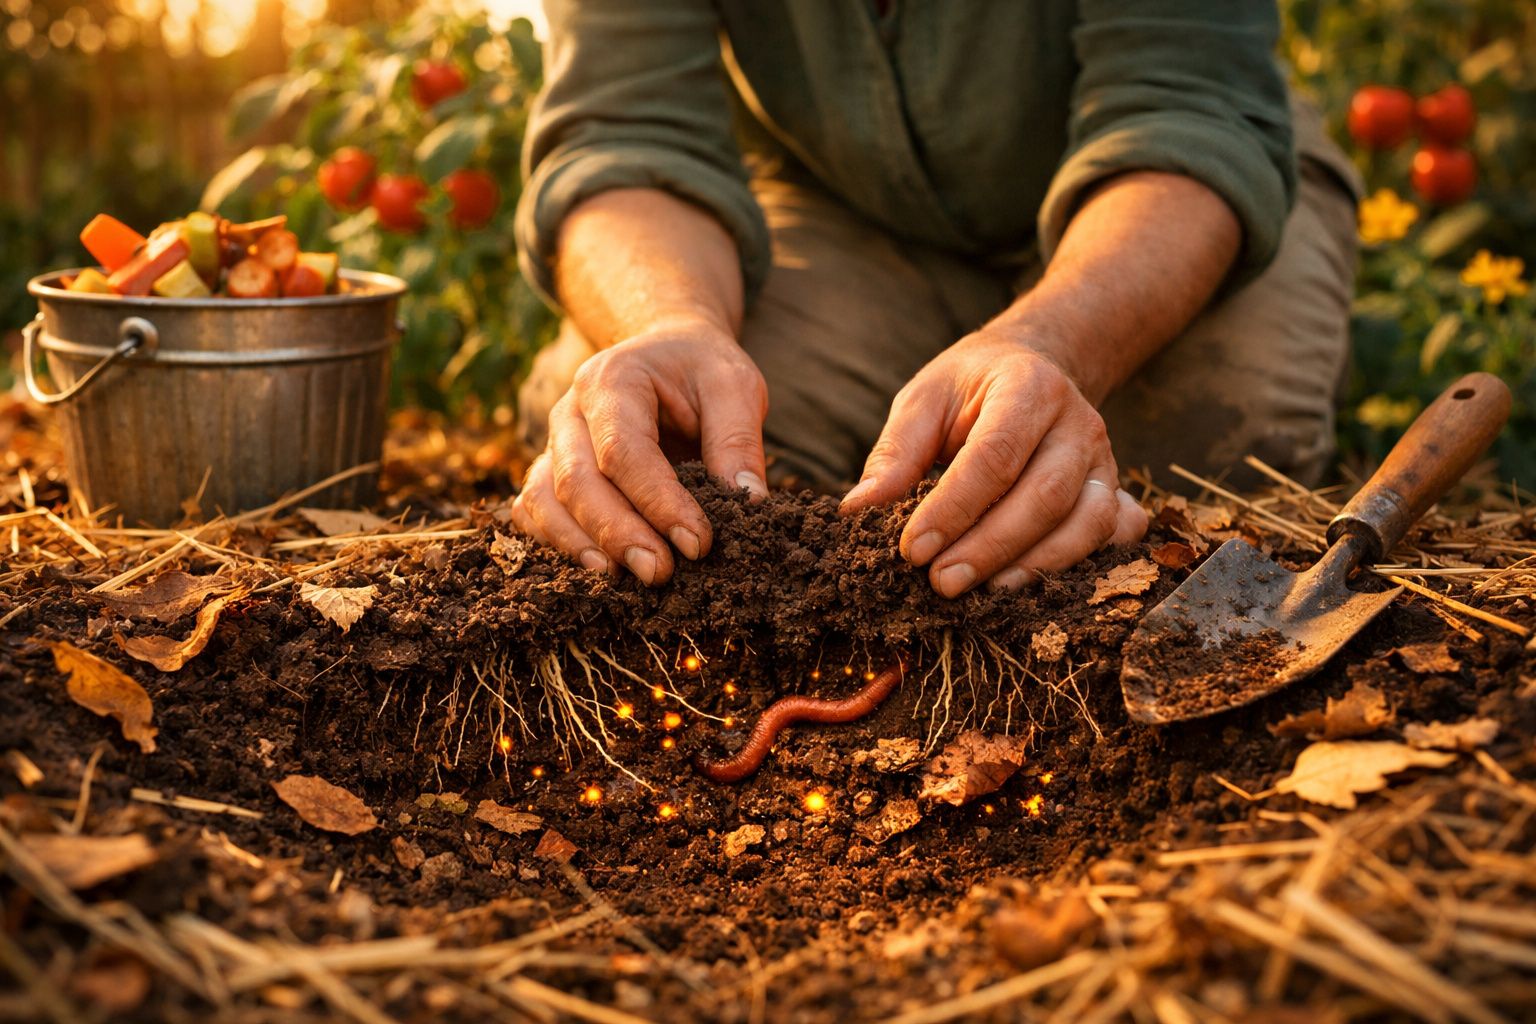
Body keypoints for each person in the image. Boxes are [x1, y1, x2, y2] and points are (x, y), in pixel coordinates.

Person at [508, 1, 1360, 597]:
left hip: (1166, 185)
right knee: (664, 456)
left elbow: (1186, 107)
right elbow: (624, 133)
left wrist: (1051, 343)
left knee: (1204, 454)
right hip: (850, 198)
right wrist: (669, 322)